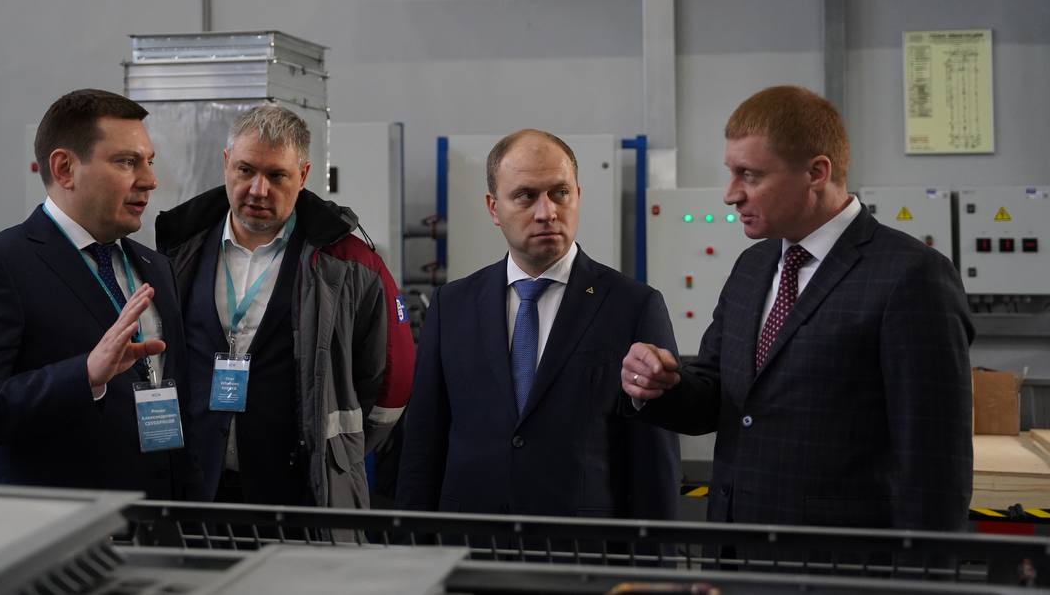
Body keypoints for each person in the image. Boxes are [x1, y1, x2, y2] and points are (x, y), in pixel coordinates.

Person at [623, 85, 974, 530]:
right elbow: (718, 397)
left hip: (841, 558)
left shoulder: (911, 277)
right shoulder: (753, 267)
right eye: (731, 173)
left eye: (750, 175)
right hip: (735, 548)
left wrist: (927, 564)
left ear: (816, 172)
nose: (731, 195)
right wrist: (661, 385)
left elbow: (935, 461)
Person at [396, 130, 680, 518]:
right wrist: (414, 545)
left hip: (581, 545)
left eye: (560, 193)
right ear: (493, 208)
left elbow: (654, 461)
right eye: (526, 196)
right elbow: (422, 445)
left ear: (577, 195)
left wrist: (655, 557)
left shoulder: (633, 307)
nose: (547, 212)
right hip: (470, 540)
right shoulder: (452, 307)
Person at [0, 89, 192, 498]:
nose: (149, 180)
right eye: (127, 162)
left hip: (154, 514)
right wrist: (85, 375)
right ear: (65, 168)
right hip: (57, 522)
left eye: (149, 162)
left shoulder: (156, 266)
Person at [155, 104, 414, 507]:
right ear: (226, 163)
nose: (258, 189)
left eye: (277, 175)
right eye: (245, 170)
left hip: (300, 496)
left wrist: (337, 455)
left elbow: (388, 382)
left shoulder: (350, 266)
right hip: (192, 491)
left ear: (304, 176)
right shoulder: (177, 251)